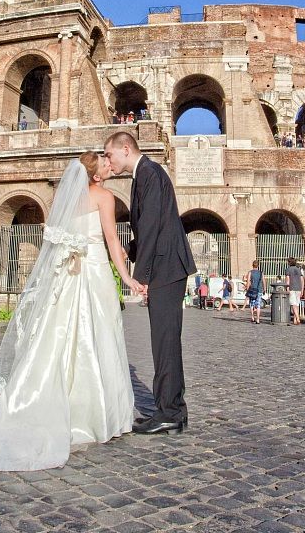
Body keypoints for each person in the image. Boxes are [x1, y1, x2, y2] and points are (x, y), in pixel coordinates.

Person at [0, 154, 145, 471]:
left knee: (60, 336)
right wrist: (127, 277)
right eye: (105, 164)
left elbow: (58, 239)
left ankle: (47, 402)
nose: (111, 166)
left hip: (67, 275)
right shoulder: (105, 196)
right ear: (95, 176)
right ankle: (92, 414)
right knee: (97, 335)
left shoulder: (64, 200)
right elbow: (111, 238)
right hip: (93, 273)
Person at [104, 130, 195, 435]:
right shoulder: (144, 174)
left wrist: (139, 276)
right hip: (166, 264)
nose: (108, 161)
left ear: (125, 149)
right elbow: (146, 228)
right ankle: (171, 408)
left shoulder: (149, 173)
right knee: (165, 340)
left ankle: (169, 411)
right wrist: (126, 250)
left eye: (109, 154)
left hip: (166, 267)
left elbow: (152, 224)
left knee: (164, 341)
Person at [286, 257, 304, 324]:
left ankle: (298, 318)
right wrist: (302, 289)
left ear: (289, 263)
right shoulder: (299, 270)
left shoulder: (288, 270)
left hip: (292, 288)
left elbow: (288, 280)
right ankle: (295, 320)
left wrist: (287, 289)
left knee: (293, 304)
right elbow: (302, 280)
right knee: (296, 304)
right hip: (299, 288)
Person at [246, 259, 264, 324]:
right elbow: (263, 281)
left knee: (251, 304)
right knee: (258, 305)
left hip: (252, 290)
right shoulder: (261, 273)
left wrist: (247, 289)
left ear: (252, 265)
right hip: (259, 290)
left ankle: (252, 317)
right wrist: (264, 289)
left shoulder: (250, 272)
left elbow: (248, 281)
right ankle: (258, 319)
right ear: (258, 266)